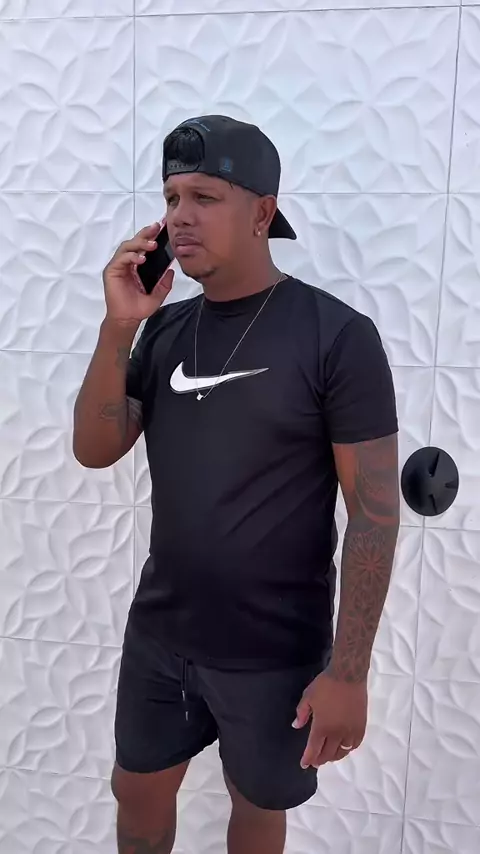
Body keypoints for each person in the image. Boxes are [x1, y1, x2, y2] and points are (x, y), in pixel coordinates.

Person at [73, 115, 400, 854]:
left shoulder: (336, 336)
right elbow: (95, 450)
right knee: (137, 792)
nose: (179, 217)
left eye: (205, 197)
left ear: (261, 212)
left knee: (255, 807)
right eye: (171, 198)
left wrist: (349, 673)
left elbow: (374, 514)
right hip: (161, 634)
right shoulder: (163, 331)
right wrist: (118, 326)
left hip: (274, 653)